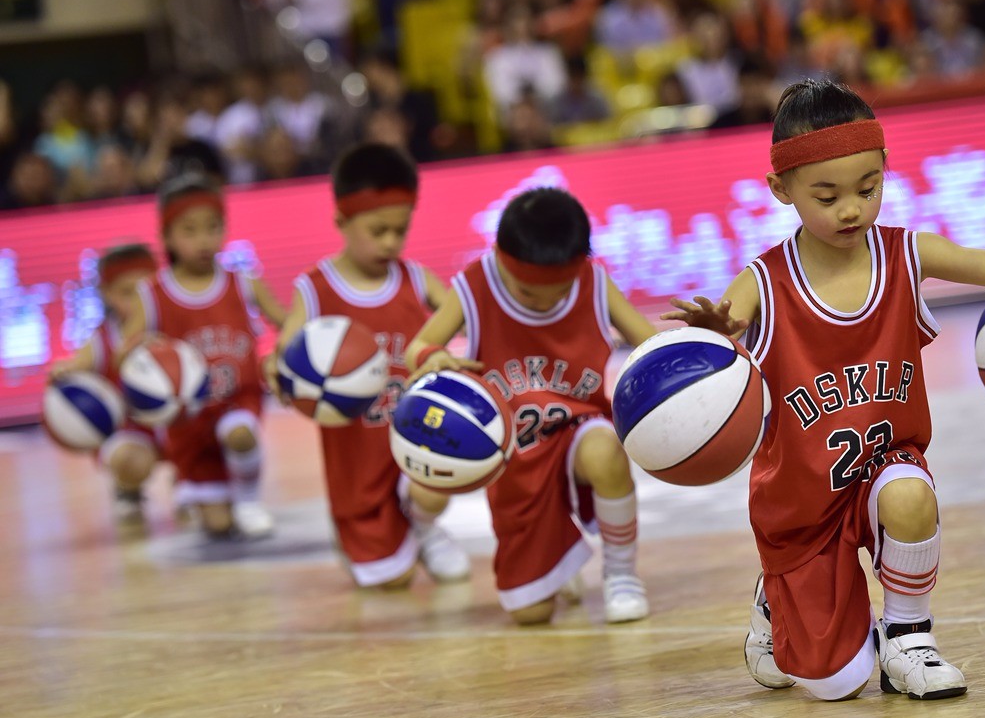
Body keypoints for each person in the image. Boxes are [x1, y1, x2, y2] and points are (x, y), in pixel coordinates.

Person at [663, 78, 985, 701]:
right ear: (781, 190)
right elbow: (721, 328)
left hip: (882, 470)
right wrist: (718, 336)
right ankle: (775, 594)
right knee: (832, 683)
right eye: (827, 195)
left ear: (885, 171)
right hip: (801, 506)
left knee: (911, 492)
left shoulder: (905, 253)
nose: (851, 209)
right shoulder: (762, 280)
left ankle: (909, 638)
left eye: (868, 188)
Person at [406, 187, 657, 625]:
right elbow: (418, 346)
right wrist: (434, 358)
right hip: (512, 454)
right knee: (531, 613)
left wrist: (699, 347)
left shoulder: (594, 281)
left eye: (557, 292)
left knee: (607, 453)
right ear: (501, 258)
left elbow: (652, 345)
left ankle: (620, 574)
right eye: (528, 292)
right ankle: (559, 557)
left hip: (578, 426)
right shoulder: (475, 284)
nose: (544, 302)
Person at [266, 143, 470, 589]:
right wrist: (278, 365)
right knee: (390, 584)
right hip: (357, 458)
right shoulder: (316, 288)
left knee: (440, 478)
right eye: (378, 231)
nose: (391, 242)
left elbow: (471, 313)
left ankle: (424, 527)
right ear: (341, 221)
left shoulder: (416, 279)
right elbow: (287, 347)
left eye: (401, 230)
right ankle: (366, 538)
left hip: (416, 435)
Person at [123, 174, 287, 539]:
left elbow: (287, 323)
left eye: (213, 228)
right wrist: (142, 349)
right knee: (218, 527)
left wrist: (285, 353)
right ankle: (199, 490)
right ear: (167, 236)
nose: (203, 239)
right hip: (188, 417)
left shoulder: (243, 282)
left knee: (241, 434)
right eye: (190, 230)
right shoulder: (152, 293)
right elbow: (124, 353)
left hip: (236, 398)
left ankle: (248, 499)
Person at [47, 243, 161, 530]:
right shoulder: (103, 338)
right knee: (131, 461)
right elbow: (76, 363)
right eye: (126, 292)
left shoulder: (170, 326)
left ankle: (196, 483)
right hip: (131, 431)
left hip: (179, 427)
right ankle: (128, 486)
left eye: (145, 290)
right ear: (107, 294)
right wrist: (64, 371)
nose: (137, 302)